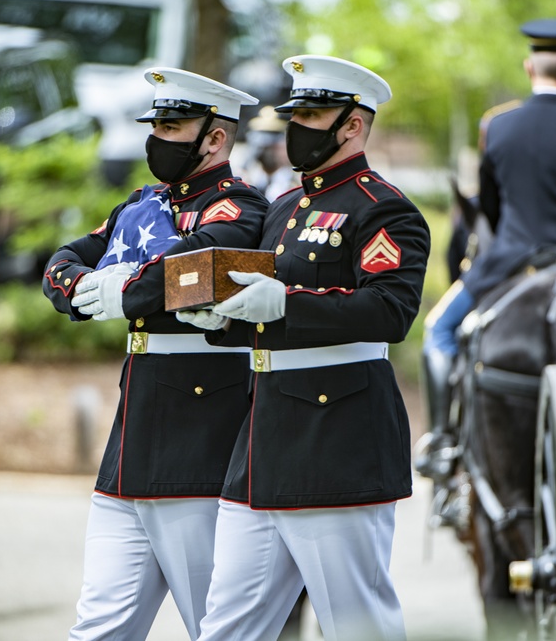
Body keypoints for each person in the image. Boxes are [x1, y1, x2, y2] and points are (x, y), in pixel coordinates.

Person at [177, 55, 430, 641]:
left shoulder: (383, 207)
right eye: (296, 114)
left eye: (313, 115)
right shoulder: (287, 208)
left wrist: (286, 302)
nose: (298, 128)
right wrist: (218, 319)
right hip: (262, 442)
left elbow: (390, 311)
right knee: (227, 628)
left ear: (353, 125)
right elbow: (261, 316)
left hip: (337, 435)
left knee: (357, 626)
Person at [41, 67, 269, 641]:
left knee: (215, 628)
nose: (157, 138)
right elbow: (64, 260)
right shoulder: (140, 205)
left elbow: (190, 271)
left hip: (197, 445)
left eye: (173, 126)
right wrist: (80, 288)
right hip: (131, 443)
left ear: (214, 138)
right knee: (98, 628)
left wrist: (123, 289)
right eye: (156, 125)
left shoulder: (238, 210)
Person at [414, 18, 556, 477]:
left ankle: (441, 439)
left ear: (528, 67)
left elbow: (491, 208)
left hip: (510, 260)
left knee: (438, 330)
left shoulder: (496, 125)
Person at [240, 105, 297, 202]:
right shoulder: (243, 182)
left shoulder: (296, 184)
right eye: (263, 146)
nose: (268, 151)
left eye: (274, 143)